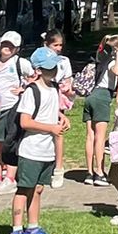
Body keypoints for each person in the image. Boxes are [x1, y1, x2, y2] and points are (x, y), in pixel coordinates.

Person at [8, 46, 67, 234]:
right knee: (24, 188)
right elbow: (25, 121)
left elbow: (50, 110)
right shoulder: (31, 91)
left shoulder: (54, 88)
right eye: (50, 68)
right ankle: (16, 230)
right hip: (31, 149)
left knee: (38, 188)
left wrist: (61, 117)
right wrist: (51, 128)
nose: (54, 71)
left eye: (55, 67)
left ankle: (33, 227)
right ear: (38, 70)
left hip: (47, 150)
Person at [0, 30, 32, 194]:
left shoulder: (21, 63)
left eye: (11, 46)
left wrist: (24, 88)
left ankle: (10, 178)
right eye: (5, 44)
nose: (7, 48)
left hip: (12, 107)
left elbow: (34, 77)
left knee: (9, 141)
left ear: (17, 49)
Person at [84, 35, 118, 186]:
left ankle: (89, 172)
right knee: (100, 137)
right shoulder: (112, 61)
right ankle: (99, 172)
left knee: (90, 136)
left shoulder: (101, 58)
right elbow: (117, 71)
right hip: (102, 96)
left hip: (91, 95)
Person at [44, 30, 74, 189]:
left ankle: (58, 168)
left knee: (57, 132)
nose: (58, 48)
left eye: (60, 45)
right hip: (42, 95)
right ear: (46, 44)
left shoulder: (64, 61)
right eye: (55, 45)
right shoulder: (39, 58)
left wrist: (68, 89)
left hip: (57, 96)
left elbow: (68, 80)